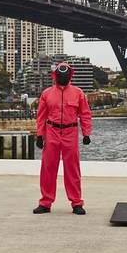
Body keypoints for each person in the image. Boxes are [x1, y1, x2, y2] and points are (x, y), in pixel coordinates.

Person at [33, 62, 92, 215]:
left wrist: (86, 133)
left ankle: (76, 203)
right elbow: (41, 117)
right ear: (55, 76)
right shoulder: (46, 94)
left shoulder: (78, 93)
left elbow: (85, 114)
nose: (62, 78)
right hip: (51, 131)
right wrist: (40, 135)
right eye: (60, 76)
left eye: (65, 76)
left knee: (72, 169)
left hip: (70, 132)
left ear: (70, 76)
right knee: (48, 169)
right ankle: (45, 202)